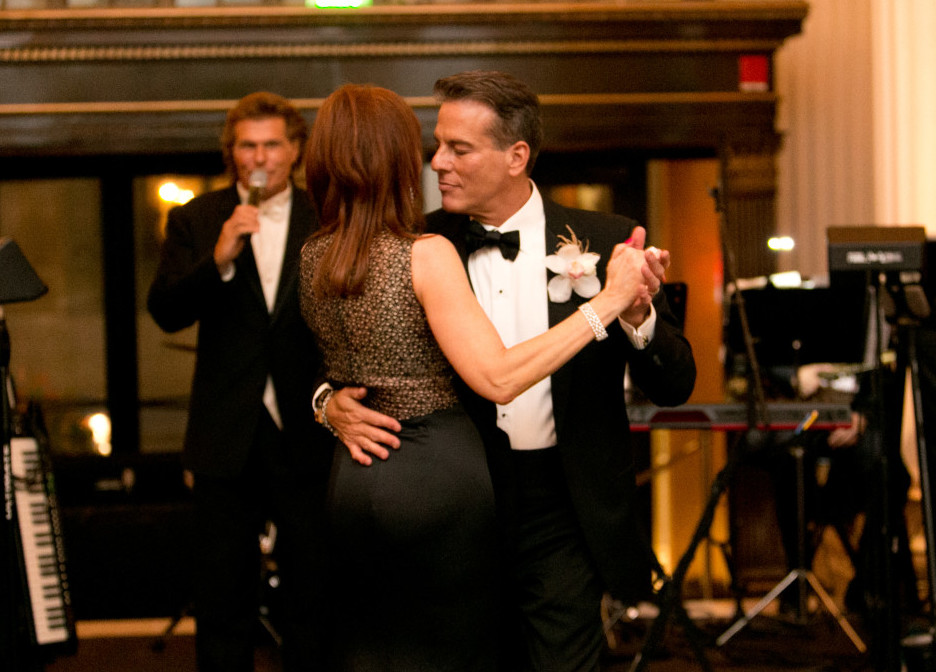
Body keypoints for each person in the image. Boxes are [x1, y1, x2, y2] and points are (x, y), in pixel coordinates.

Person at [319, 71, 696, 672]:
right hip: (457, 496)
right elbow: (329, 346)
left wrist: (638, 312)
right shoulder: (418, 243)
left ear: (516, 155)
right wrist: (327, 400)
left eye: (459, 149)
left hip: (564, 502)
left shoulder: (607, 241)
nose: (437, 162)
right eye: (437, 144)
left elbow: (675, 385)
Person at [147, 91, 332, 672]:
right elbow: (165, 311)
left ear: (295, 149)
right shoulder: (196, 218)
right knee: (223, 598)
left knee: (315, 593)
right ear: (231, 153)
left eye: (272, 144)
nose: (260, 156)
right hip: (226, 434)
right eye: (248, 145)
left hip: (310, 428)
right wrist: (220, 259)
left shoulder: (328, 216)